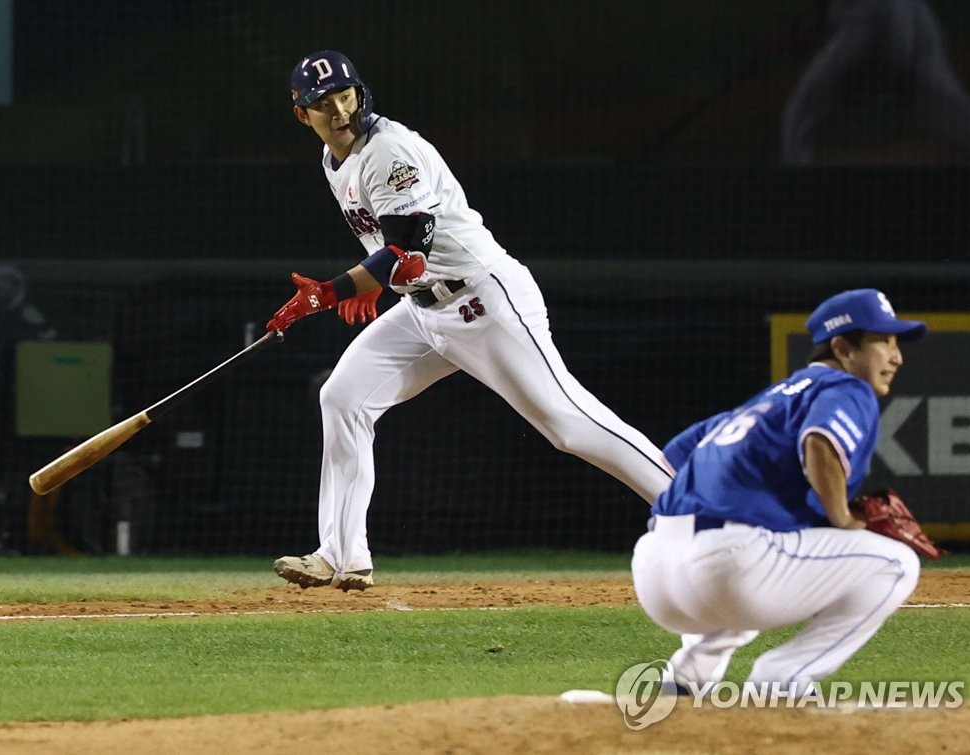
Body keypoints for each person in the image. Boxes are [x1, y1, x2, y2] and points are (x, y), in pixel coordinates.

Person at [266, 50, 674, 591]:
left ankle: (694, 507)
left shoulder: (389, 149)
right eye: (324, 103)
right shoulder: (333, 160)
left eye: (346, 94)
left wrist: (332, 291)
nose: (340, 108)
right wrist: (374, 282)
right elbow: (396, 258)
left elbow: (410, 243)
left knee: (567, 423)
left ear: (360, 92)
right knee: (343, 397)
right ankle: (341, 555)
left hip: (482, 300)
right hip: (422, 311)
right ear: (303, 115)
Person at [631, 288, 926, 695]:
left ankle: (685, 682)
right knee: (896, 564)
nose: (896, 357)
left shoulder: (768, 401)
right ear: (842, 347)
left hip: (654, 571)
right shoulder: (846, 387)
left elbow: (676, 454)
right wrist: (840, 517)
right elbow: (820, 441)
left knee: (763, 548)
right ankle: (784, 680)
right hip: (727, 568)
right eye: (883, 341)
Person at [782, 0, 970, 165]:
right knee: (943, 109)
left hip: (873, 15)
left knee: (801, 108)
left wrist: (812, 24)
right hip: (911, 12)